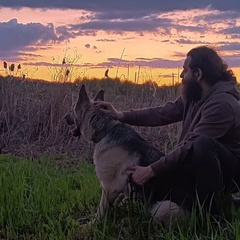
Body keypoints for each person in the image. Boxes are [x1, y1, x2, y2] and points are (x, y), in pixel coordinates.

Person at [95, 46, 240, 221]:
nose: (181, 76)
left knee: (202, 144)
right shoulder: (196, 95)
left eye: (185, 70)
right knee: (164, 166)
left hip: (229, 171)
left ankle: (214, 218)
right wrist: (122, 115)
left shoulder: (222, 103)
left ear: (198, 74)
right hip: (201, 165)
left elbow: (191, 146)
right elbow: (163, 113)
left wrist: (150, 170)